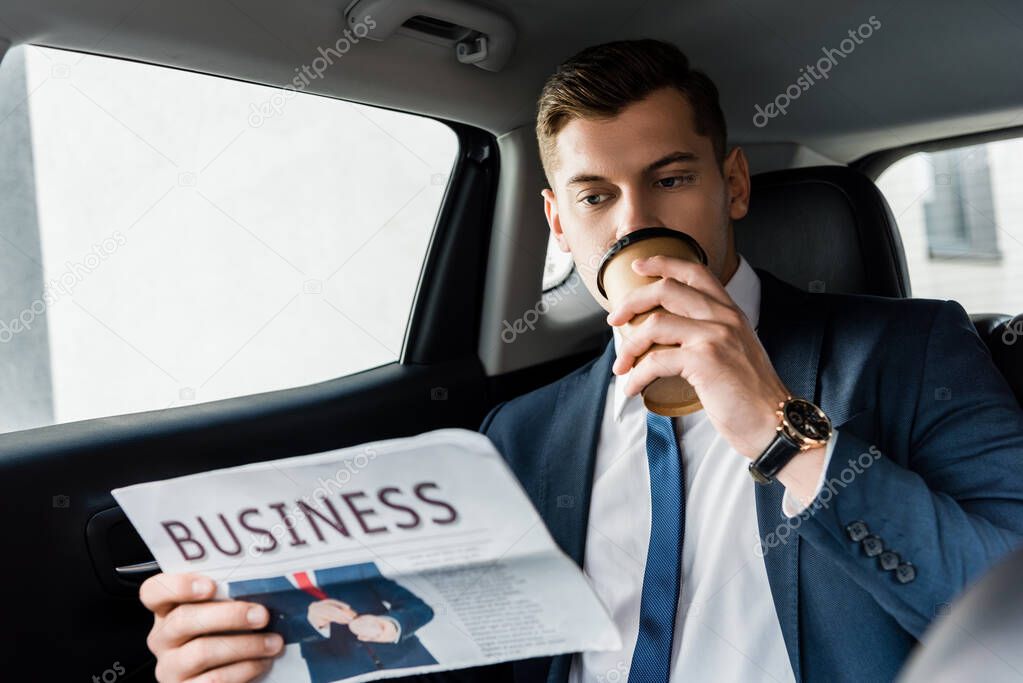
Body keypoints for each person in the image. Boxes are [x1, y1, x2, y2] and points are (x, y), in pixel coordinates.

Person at [139, 39, 1023, 683]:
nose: (636, 218)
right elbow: (463, 652)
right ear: (560, 224)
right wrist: (270, 656)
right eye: (596, 195)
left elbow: (1006, 611)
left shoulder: (911, 350)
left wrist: (775, 427)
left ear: (735, 186)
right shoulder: (520, 434)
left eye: (672, 177)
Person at [226, 562, 436, 683]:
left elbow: (419, 608)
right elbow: (261, 631)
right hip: (335, 671)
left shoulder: (352, 559)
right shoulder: (247, 578)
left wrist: (390, 626)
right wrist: (311, 622)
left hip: (414, 663)